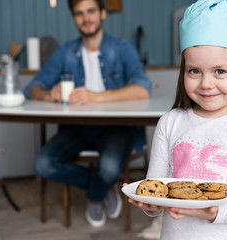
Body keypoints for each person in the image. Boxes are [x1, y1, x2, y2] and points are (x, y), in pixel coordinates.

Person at [128, 0, 227, 239]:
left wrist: (212, 212)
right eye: (194, 71)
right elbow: (158, 189)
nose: (206, 84)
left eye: (220, 71)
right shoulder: (170, 123)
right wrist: (152, 206)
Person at [24, 0, 151, 227]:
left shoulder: (122, 48)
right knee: (42, 164)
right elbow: (33, 87)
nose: (86, 18)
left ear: (102, 13)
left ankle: (95, 195)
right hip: (77, 128)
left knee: (110, 167)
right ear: (74, 18)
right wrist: (47, 94)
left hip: (118, 129)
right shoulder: (65, 52)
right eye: (79, 13)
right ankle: (102, 186)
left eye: (91, 11)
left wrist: (97, 96)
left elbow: (142, 88)